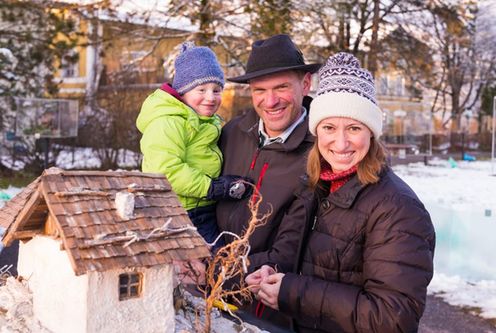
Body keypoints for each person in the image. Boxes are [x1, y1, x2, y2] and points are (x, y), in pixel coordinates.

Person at [245, 52, 436, 333]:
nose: (341, 142)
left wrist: (293, 292)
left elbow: (393, 319)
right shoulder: (317, 186)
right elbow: (306, 262)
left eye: (354, 128)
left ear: (371, 133)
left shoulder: (398, 208)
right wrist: (273, 275)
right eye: (329, 127)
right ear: (317, 132)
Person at [217, 34, 321, 274]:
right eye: (259, 90)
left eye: (281, 87)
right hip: (212, 291)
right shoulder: (232, 133)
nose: (270, 101)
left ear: (305, 84)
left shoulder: (323, 149)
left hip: (274, 300)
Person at [136, 42, 249, 248]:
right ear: (183, 91)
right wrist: (212, 187)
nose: (210, 97)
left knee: (222, 262)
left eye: (216, 90)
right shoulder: (169, 122)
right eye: (201, 89)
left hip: (204, 207)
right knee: (205, 266)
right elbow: (166, 171)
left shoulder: (208, 121)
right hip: (179, 211)